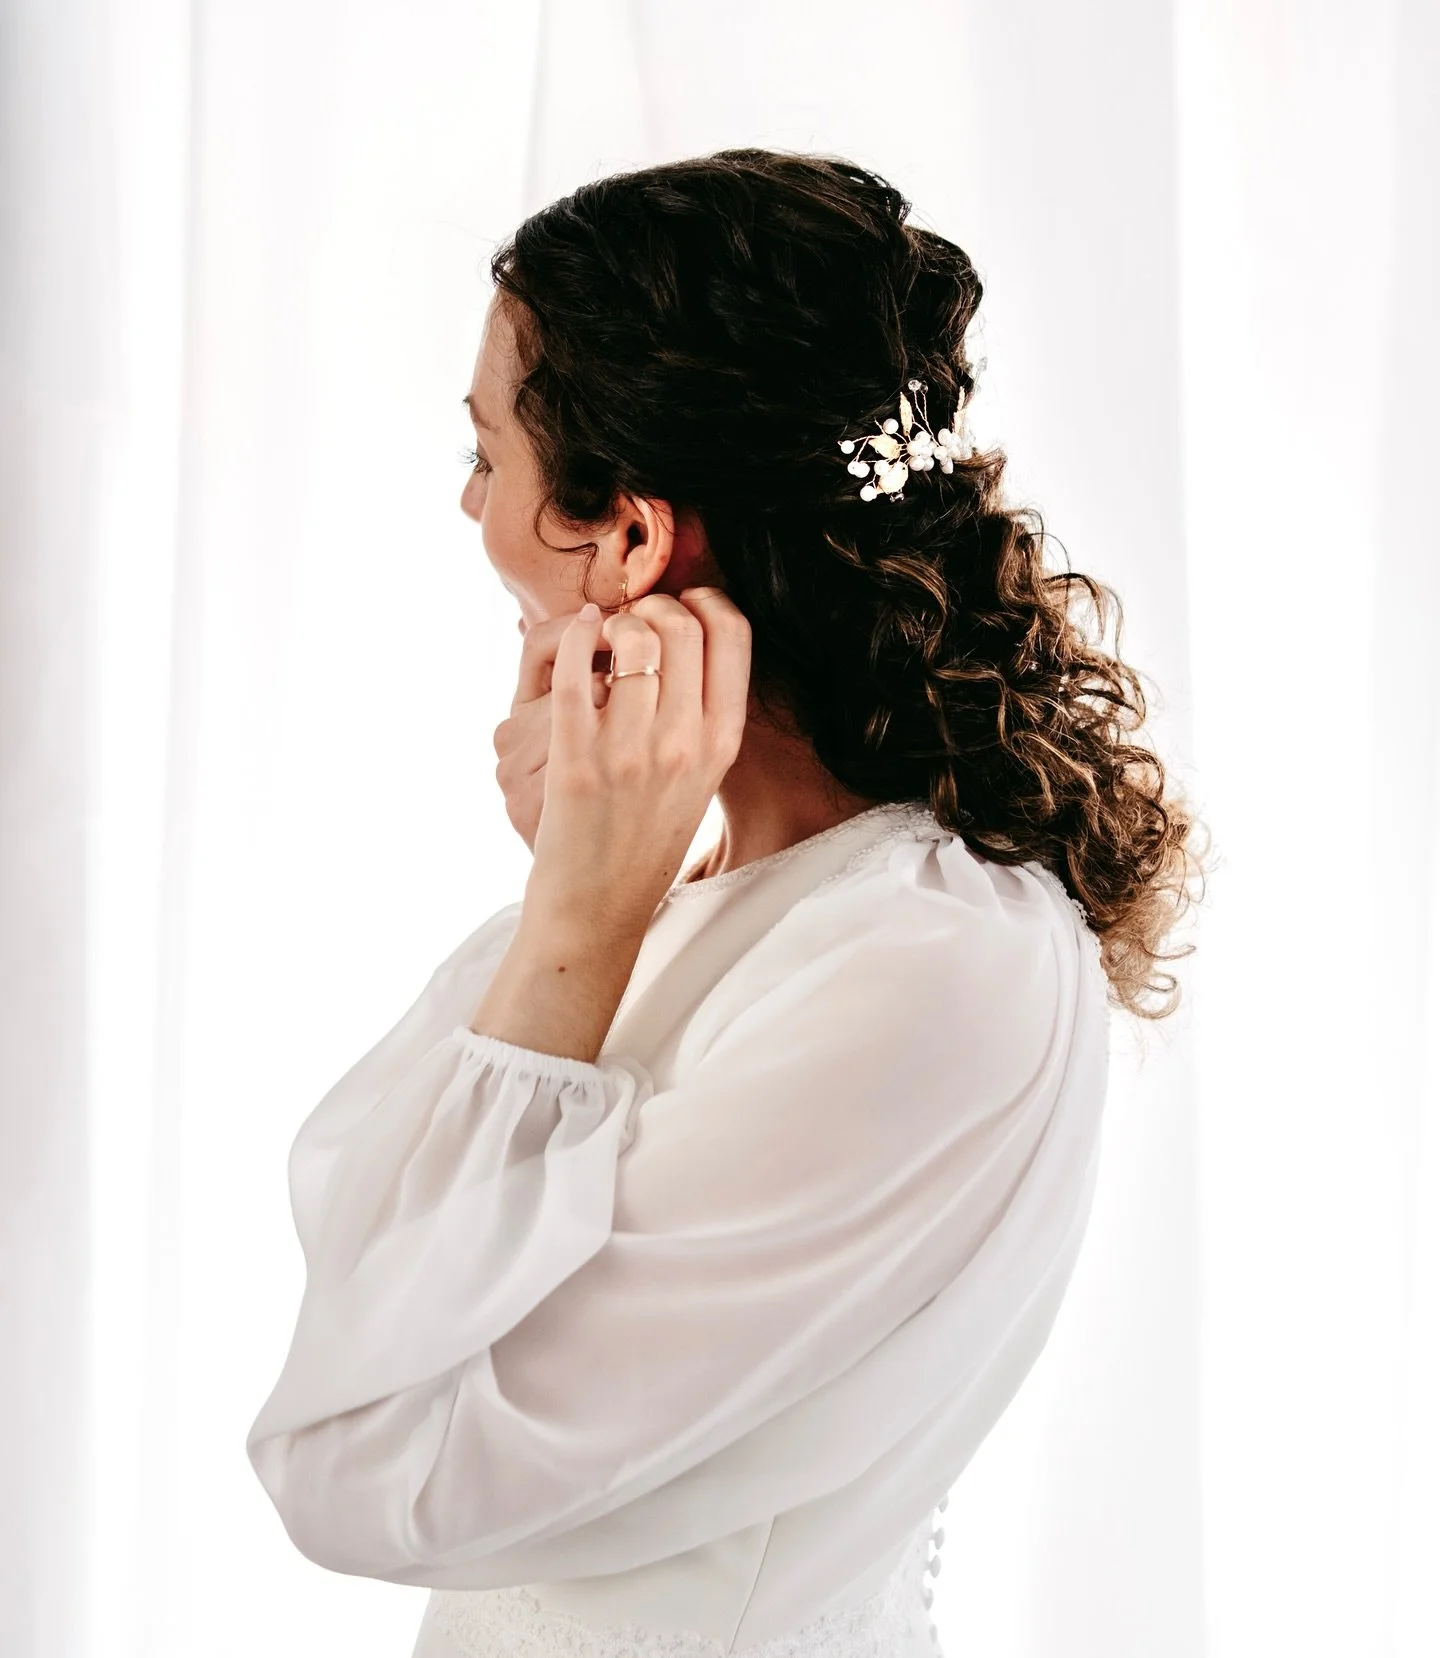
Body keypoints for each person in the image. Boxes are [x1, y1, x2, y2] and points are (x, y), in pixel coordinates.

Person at [246, 149, 1207, 1657]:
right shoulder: (736, 904)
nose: (468, 502)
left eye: (489, 454)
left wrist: (576, 914)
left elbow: (364, 1461)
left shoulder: (930, 958)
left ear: (629, 534)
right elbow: (380, 1320)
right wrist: (584, 885)